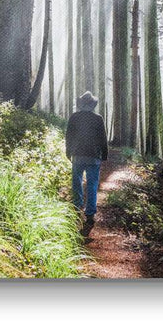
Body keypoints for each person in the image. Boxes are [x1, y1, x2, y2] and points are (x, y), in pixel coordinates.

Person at [66, 91, 108, 233]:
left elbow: (69, 137)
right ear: (92, 105)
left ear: (81, 104)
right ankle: (90, 215)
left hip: (77, 155)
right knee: (92, 184)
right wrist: (105, 154)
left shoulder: (74, 117)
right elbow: (103, 138)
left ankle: (77, 209)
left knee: (77, 182)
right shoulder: (98, 118)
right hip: (93, 156)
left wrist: (68, 151)